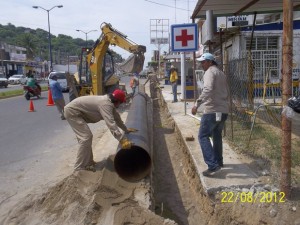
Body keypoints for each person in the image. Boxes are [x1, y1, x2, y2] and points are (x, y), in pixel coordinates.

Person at [64, 89, 138, 172]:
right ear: (116, 101)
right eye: (120, 102)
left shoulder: (110, 103)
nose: (120, 105)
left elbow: (117, 118)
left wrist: (125, 129)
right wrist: (122, 140)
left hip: (78, 113)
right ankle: (79, 167)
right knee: (85, 138)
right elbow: (111, 123)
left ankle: (88, 163)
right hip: (72, 112)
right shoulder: (105, 104)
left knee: (86, 138)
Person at [191, 53, 229, 176]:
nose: (202, 64)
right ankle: (219, 161)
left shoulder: (209, 72)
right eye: (201, 62)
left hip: (212, 111)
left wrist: (197, 104)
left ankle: (212, 166)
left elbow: (208, 89)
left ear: (210, 62)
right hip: (222, 111)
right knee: (217, 135)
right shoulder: (221, 73)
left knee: (203, 136)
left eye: (203, 62)